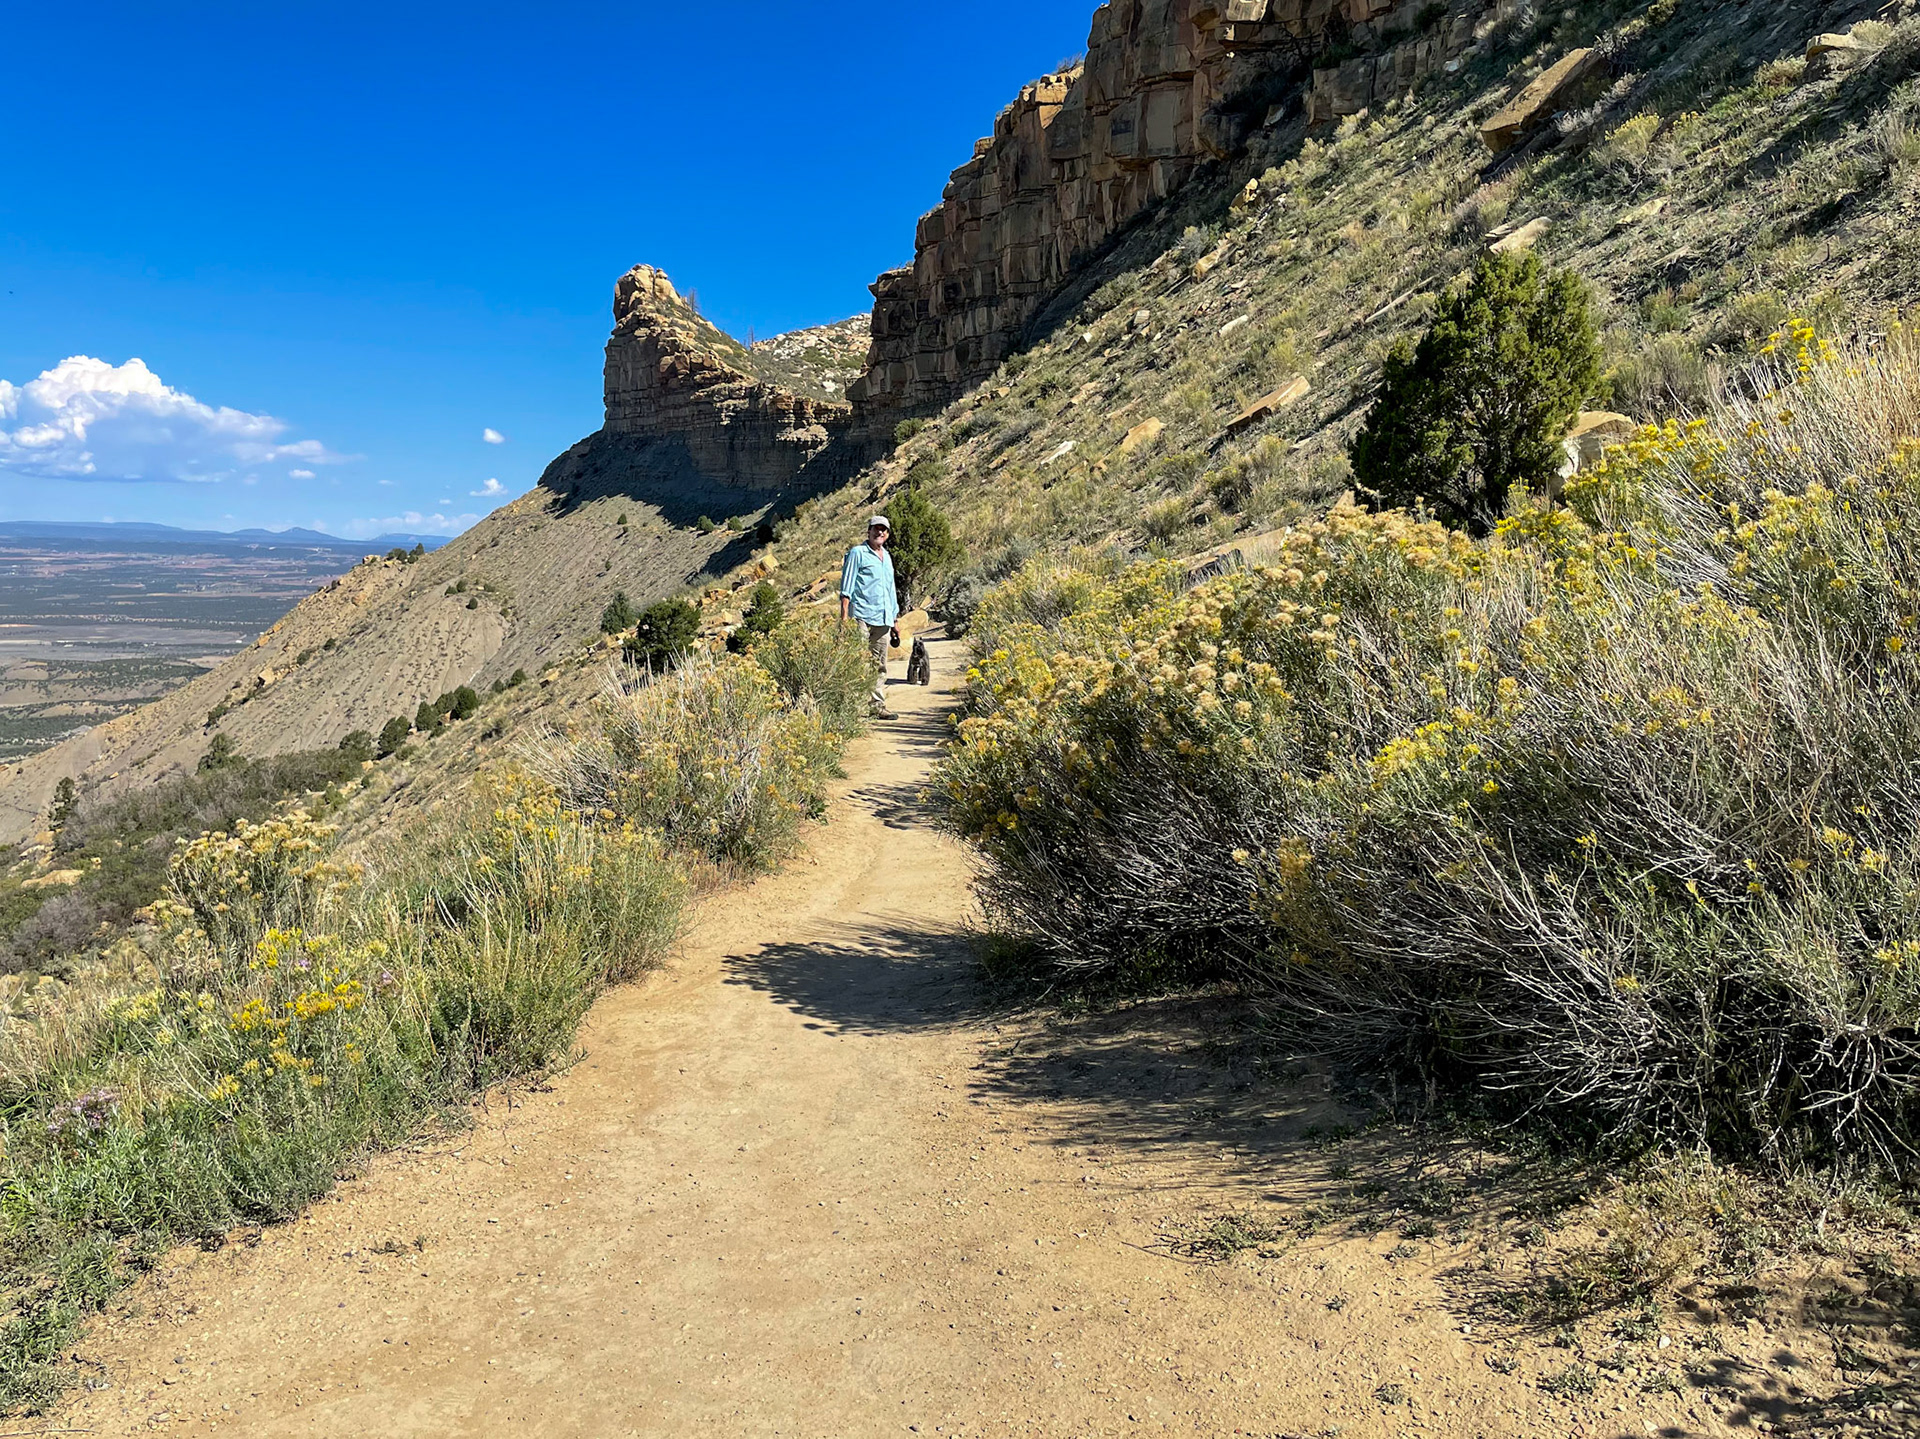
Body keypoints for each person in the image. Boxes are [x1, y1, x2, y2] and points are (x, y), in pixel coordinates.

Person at [839, 515, 899, 719]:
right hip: (861, 615)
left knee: (879, 664)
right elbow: (846, 587)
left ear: (887, 534)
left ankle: (877, 705)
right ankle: (854, 707)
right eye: (876, 529)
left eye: (883, 530)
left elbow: (891, 589)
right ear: (869, 531)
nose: (879, 532)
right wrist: (844, 619)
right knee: (858, 660)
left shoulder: (887, 557)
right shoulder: (858, 553)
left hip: (883, 617)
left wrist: (894, 619)